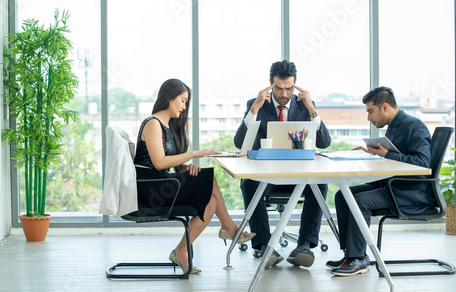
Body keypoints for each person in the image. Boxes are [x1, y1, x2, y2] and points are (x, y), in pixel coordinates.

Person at [133, 78, 255, 274]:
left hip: (161, 184)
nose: (184, 106)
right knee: (209, 178)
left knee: (211, 202)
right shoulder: (152, 123)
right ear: (168, 98)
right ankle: (230, 228)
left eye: (186, 102)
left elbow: (167, 160)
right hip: (150, 191)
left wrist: (185, 166)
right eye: (182, 100)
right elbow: (159, 163)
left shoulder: (166, 126)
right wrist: (194, 154)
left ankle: (181, 251)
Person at [234, 60, 331, 268]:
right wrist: (254, 110)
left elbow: (324, 142)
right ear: (270, 84)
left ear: (295, 85)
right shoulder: (257, 104)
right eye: (278, 88)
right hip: (267, 177)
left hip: (298, 177)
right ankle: (264, 246)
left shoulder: (305, 106)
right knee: (248, 183)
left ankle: (303, 246)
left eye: (289, 88)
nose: (284, 94)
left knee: (320, 184)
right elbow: (239, 143)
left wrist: (312, 108)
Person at [328, 86, 433, 276]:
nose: (368, 117)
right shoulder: (393, 127)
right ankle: (351, 254)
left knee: (361, 201)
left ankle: (358, 258)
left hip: (410, 192)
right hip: (392, 186)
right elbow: (392, 159)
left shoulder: (413, 126)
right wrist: (371, 154)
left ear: (385, 107)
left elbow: (423, 163)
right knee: (344, 195)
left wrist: (387, 154)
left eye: (370, 111)